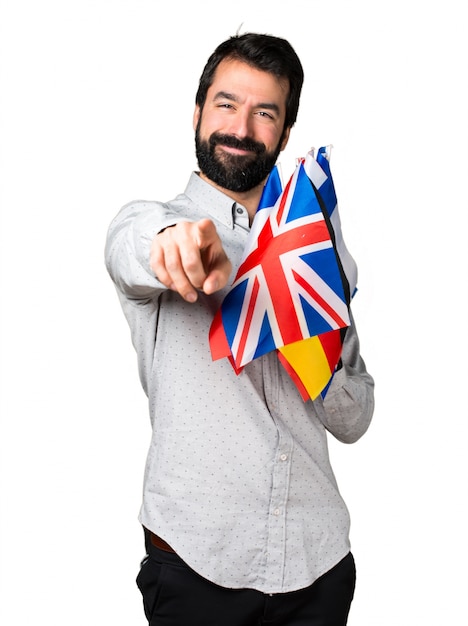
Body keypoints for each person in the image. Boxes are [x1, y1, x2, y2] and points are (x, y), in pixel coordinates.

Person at [105, 32, 375, 626]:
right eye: (226, 104)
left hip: (318, 563)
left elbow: (354, 419)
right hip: (199, 564)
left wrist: (306, 338)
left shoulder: (318, 253)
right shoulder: (156, 224)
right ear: (198, 112)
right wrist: (176, 248)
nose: (241, 126)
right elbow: (134, 248)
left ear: (283, 130)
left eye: (264, 112)